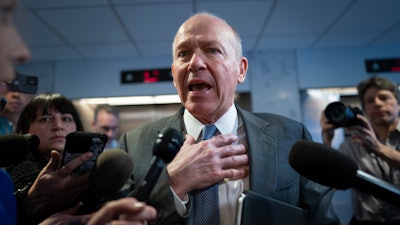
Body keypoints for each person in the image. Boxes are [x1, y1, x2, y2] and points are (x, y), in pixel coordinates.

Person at [118, 12, 340, 225]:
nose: (194, 63)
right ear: (174, 74)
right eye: (183, 53)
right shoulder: (133, 145)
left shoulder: (291, 136)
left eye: (212, 50)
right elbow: (115, 220)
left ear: (241, 70)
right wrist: (173, 183)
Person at [0, 1, 157, 225]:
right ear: (24, 131)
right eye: (45, 119)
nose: (58, 126)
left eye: (66, 118)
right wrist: (33, 200)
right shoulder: (10, 175)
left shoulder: (94, 174)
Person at [320, 76, 400, 225]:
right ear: (364, 110)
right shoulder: (351, 145)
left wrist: (378, 148)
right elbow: (331, 186)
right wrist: (327, 142)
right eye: (370, 101)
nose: (377, 103)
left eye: (384, 98)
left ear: (398, 104)